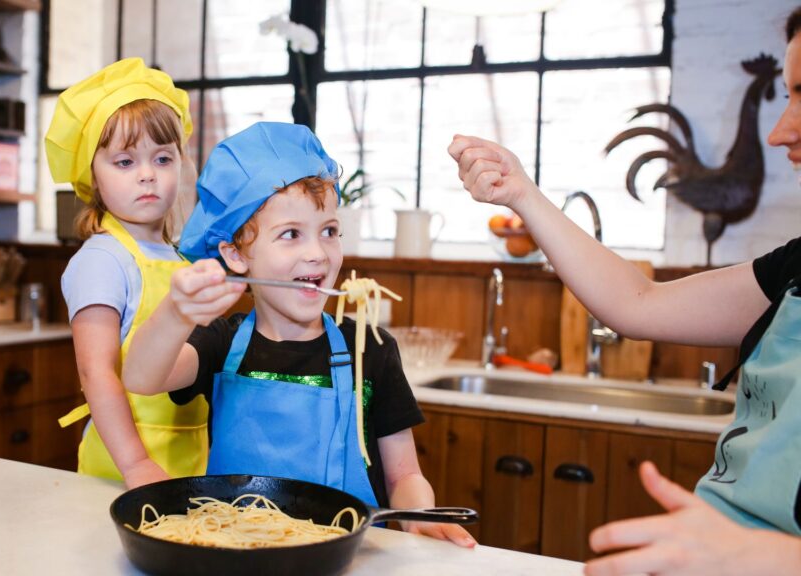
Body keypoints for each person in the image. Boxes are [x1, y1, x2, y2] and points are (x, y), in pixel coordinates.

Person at [447, 7, 801, 574]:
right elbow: (639, 304)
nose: (781, 129)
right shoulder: (794, 267)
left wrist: (766, 556)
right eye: (786, 96)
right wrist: (524, 195)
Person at [122, 122, 476, 547]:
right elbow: (141, 377)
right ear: (235, 255)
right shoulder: (222, 342)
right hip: (235, 552)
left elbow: (405, 474)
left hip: (348, 556)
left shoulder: (371, 348)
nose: (317, 252)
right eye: (291, 234)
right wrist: (176, 313)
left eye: (329, 230)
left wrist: (417, 515)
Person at [44, 58, 208, 487]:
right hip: (121, 470)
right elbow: (95, 372)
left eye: (162, 158)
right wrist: (135, 464)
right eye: (124, 162)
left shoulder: (180, 258)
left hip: (191, 462)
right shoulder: (103, 259)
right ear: (93, 178)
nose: (148, 175)